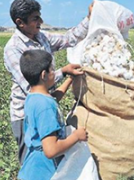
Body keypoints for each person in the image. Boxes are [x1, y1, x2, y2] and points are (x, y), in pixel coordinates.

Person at [4, 0, 93, 164]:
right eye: (35, 18)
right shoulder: (13, 49)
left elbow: (69, 38)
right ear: (20, 23)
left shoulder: (41, 36)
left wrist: (89, 18)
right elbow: (32, 85)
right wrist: (63, 71)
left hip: (47, 101)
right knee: (32, 159)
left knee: (52, 160)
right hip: (25, 115)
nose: (41, 22)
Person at [17, 49, 88, 180]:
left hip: (33, 167)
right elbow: (51, 150)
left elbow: (53, 98)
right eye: (52, 70)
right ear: (44, 75)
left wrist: (70, 79)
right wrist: (77, 136)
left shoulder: (34, 97)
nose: (55, 73)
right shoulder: (45, 107)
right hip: (43, 173)